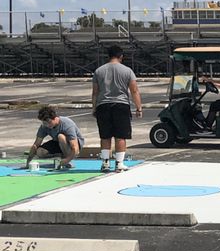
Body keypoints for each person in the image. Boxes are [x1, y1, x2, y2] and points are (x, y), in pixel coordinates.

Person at [92, 44, 142, 173]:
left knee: (105, 136)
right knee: (120, 136)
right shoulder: (127, 71)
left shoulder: (99, 71)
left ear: (108, 56)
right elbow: (134, 90)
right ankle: (119, 163)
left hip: (103, 105)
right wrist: (139, 107)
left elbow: (95, 92)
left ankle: (105, 163)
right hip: (121, 105)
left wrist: (94, 108)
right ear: (121, 56)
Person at [26, 106, 85, 170]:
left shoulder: (66, 124)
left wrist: (67, 160)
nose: (47, 125)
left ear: (55, 118)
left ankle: (67, 160)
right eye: (44, 123)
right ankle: (60, 157)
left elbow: (75, 148)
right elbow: (36, 144)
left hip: (73, 144)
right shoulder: (44, 126)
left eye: (49, 122)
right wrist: (28, 161)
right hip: (58, 142)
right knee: (40, 152)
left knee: (61, 137)